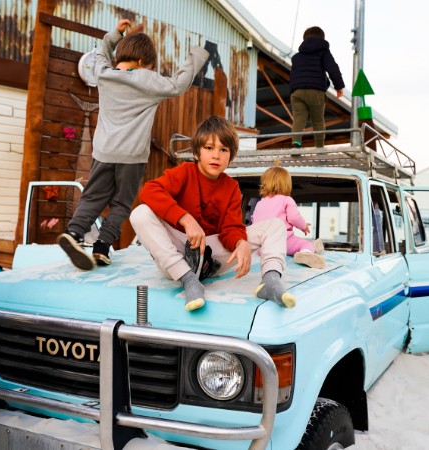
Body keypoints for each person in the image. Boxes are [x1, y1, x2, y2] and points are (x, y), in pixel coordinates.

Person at [57, 19, 209, 271]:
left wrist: (114, 35)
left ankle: (73, 234)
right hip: (132, 157)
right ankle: (103, 246)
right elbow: (179, 84)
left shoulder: (105, 74)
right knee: (121, 203)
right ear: (142, 63)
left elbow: (101, 56)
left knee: (93, 196)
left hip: (104, 151)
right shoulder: (148, 81)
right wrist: (196, 54)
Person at [129, 116, 296, 311]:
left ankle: (270, 281)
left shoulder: (232, 187)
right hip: (176, 257)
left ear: (231, 157)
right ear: (196, 152)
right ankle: (189, 280)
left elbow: (230, 229)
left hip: (211, 259)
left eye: (223, 150)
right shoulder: (185, 172)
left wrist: (240, 242)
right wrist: (185, 218)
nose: (216, 155)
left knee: (275, 225)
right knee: (140, 213)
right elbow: (149, 191)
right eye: (209, 148)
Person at [251, 166, 324, 269]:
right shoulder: (286, 200)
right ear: (286, 184)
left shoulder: (260, 203)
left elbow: (255, 221)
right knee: (307, 244)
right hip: (283, 242)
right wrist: (303, 226)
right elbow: (294, 217)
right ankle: (305, 253)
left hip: (262, 246)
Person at [289, 26, 345, 148]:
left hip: (297, 91)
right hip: (316, 91)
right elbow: (332, 68)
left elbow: (293, 75)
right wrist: (339, 86)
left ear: (304, 39)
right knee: (318, 120)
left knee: (299, 118)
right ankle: (319, 147)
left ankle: (296, 142)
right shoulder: (324, 52)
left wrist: (293, 90)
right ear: (322, 39)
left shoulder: (297, 57)